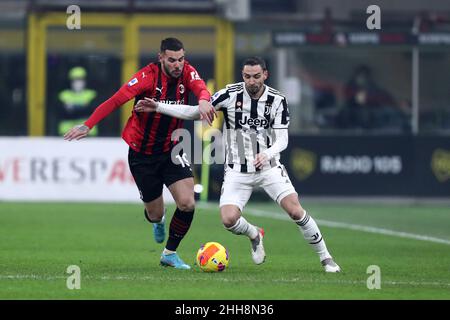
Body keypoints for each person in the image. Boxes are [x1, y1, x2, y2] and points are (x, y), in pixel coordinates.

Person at [135, 56, 341, 272]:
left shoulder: (277, 100)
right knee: (229, 219)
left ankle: (326, 258)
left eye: (256, 76)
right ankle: (254, 233)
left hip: (269, 168)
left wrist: (267, 153)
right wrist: (159, 106)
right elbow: (196, 112)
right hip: (237, 172)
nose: (251, 81)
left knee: (295, 211)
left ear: (265, 75)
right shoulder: (230, 94)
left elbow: (283, 139)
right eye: (247, 76)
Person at [64, 37, 216, 269]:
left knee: (187, 203)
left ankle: (169, 253)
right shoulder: (146, 77)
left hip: (172, 149)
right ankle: (159, 219)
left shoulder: (187, 72)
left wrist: (204, 100)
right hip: (142, 154)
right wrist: (88, 124)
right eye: (172, 60)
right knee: (154, 214)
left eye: (181, 59)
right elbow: (115, 101)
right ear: (161, 58)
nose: (178, 65)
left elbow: (201, 88)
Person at [58, 66, 97, 136]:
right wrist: (83, 107)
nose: (78, 83)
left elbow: (92, 111)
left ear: (85, 81)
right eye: (75, 80)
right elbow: (61, 112)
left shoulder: (91, 94)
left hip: (88, 133)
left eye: (80, 80)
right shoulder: (64, 95)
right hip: (66, 132)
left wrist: (73, 108)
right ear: (70, 81)